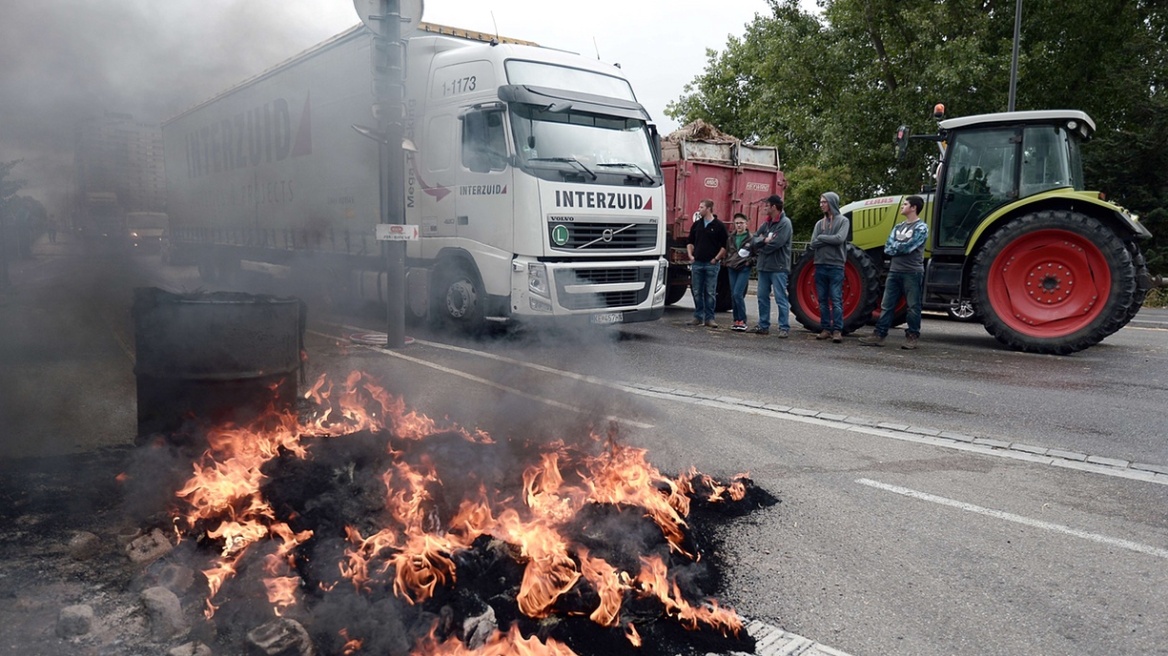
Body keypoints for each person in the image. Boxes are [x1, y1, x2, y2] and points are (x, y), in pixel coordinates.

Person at [862, 195, 930, 349]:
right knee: (887, 305)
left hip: (912, 272)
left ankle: (912, 336)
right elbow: (888, 247)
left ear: (913, 208)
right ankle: (879, 335)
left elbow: (909, 246)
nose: (902, 207)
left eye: (905, 204)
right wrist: (899, 247)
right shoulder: (898, 227)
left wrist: (897, 247)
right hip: (894, 271)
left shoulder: (921, 228)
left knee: (913, 306)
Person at [810, 192, 850, 343]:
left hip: (836, 265)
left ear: (832, 202)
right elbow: (813, 243)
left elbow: (840, 239)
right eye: (821, 202)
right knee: (822, 300)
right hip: (820, 264)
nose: (821, 204)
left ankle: (838, 330)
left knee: (836, 298)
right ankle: (826, 328)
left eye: (824, 202)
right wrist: (826, 240)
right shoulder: (819, 224)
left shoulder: (843, 221)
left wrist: (822, 238)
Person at [749, 195, 792, 337]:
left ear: (774, 207)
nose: (765, 208)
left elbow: (776, 243)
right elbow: (754, 238)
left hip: (778, 267)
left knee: (780, 298)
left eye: (767, 205)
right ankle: (763, 325)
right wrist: (763, 241)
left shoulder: (785, 223)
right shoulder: (766, 223)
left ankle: (784, 327)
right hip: (763, 266)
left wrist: (760, 247)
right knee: (762, 297)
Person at [686, 199, 728, 328]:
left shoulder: (719, 226)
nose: (699, 209)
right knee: (697, 291)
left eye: (701, 207)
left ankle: (710, 318)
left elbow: (724, 246)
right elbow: (690, 242)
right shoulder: (697, 225)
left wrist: (716, 258)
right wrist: (690, 255)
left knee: (710, 292)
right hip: (697, 263)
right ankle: (698, 316)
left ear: (709, 208)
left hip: (711, 264)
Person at [722, 213, 754, 331]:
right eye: (737, 223)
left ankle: (742, 320)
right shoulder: (731, 238)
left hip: (744, 268)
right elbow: (727, 251)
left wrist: (748, 262)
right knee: (733, 294)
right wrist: (727, 261)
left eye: (741, 223)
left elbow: (756, 254)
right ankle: (736, 320)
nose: (739, 225)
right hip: (732, 267)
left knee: (737, 293)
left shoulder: (751, 239)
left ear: (746, 224)